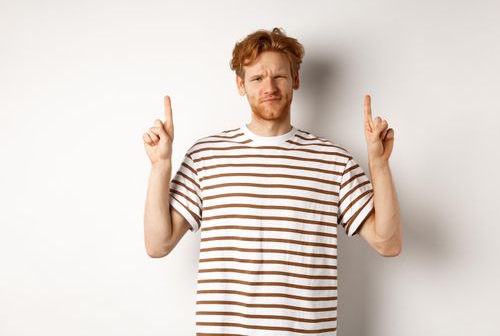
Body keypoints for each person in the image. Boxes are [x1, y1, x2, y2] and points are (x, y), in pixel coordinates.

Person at [143, 27, 402, 335]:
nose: (269, 87)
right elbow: (158, 244)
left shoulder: (334, 161)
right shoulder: (205, 156)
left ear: (296, 79)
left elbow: (388, 243)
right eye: (256, 78)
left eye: (279, 76)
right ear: (241, 84)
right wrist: (160, 165)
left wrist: (379, 165)